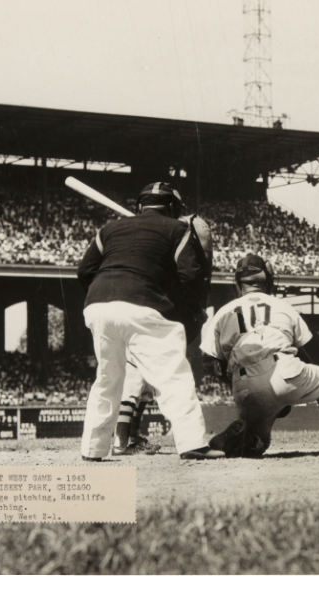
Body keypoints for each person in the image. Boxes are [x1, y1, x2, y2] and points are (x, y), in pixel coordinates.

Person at [77, 181, 223, 461]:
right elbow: (191, 277)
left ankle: (92, 449)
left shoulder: (109, 229)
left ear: (140, 206)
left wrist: (109, 296)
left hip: (98, 306)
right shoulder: (178, 229)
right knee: (173, 376)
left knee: (108, 379)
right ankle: (192, 442)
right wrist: (179, 307)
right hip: (145, 305)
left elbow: (85, 271)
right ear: (173, 207)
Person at [201, 253, 319, 457]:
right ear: (267, 280)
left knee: (259, 444)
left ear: (238, 282)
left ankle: (243, 432)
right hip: (282, 369)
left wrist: (236, 383)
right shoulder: (282, 306)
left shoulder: (224, 311)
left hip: (243, 387)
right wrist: (313, 381)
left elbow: (210, 362)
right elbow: (310, 350)